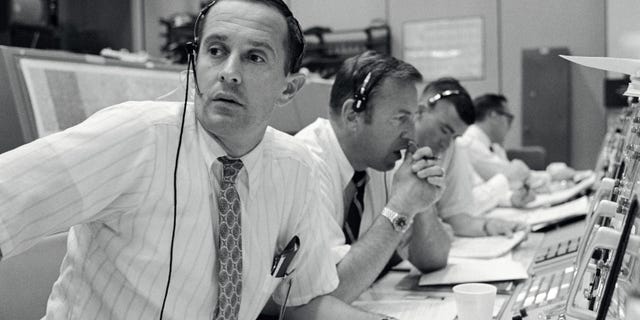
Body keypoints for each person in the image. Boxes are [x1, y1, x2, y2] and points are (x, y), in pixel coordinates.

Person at [0, 1, 382, 319]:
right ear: (194, 63)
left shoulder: (295, 167)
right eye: (216, 51)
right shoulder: (138, 137)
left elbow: (304, 301)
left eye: (254, 57)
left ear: (289, 88)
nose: (229, 73)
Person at [295, 51, 450, 303]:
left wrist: (421, 202)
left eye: (413, 118)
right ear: (352, 116)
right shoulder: (304, 165)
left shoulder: (382, 160)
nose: (411, 134)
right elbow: (328, 294)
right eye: (400, 119)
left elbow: (433, 260)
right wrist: (400, 207)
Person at [414, 78, 526, 236]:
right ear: (419, 111)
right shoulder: (389, 153)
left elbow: (456, 217)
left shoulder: (452, 148)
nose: (446, 144)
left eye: (454, 136)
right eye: (444, 130)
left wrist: (489, 226)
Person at [462, 94, 576, 195]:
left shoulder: (493, 145)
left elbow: (518, 176)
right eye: (509, 118)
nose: (510, 126)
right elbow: (511, 178)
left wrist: (549, 176)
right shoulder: (470, 143)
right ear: (494, 116)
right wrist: (551, 176)